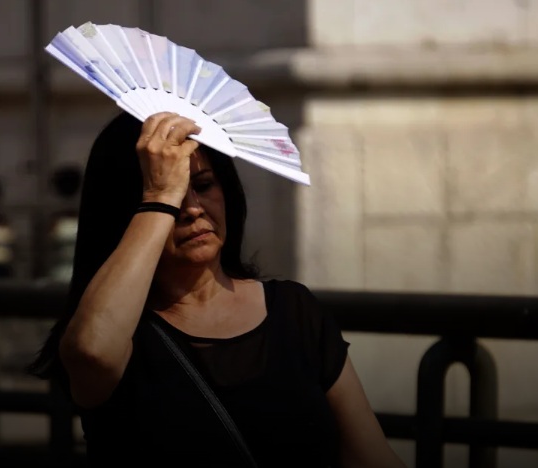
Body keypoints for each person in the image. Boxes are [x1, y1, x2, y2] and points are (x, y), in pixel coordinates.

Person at [29, 111, 406, 467]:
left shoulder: (295, 310)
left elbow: (370, 457)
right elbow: (91, 351)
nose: (192, 208)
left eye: (204, 185)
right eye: (176, 192)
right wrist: (160, 196)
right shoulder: (122, 334)